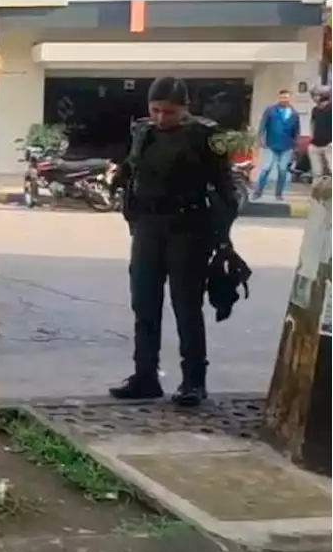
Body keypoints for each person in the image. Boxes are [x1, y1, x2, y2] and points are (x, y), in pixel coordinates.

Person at [111, 77, 238, 408]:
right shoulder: (142, 132)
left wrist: (221, 237)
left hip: (189, 229)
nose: (161, 118)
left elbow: (227, 189)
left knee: (186, 307)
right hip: (147, 228)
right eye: (155, 110)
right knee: (144, 303)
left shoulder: (208, 137)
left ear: (185, 109)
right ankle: (145, 376)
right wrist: (120, 176)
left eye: (169, 112)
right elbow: (132, 168)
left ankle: (194, 381)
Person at [252, 88, 300, 200]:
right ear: (279, 97)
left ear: (290, 98)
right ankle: (258, 192)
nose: (285, 99)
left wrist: (295, 147)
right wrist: (260, 139)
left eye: (287, 97)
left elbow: (296, 131)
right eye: (283, 97)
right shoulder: (270, 110)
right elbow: (263, 125)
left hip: (287, 146)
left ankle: (279, 194)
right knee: (266, 168)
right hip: (271, 144)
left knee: (283, 170)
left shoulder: (294, 113)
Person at [309, 86, 333, 179]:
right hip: (315, 145)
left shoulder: (331, 109)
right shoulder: (315, 110)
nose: (314, 98)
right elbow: (313, 124)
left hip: (329, 144)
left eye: (316, 95)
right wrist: (312, 138)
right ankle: (318, 192)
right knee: (317, 174)